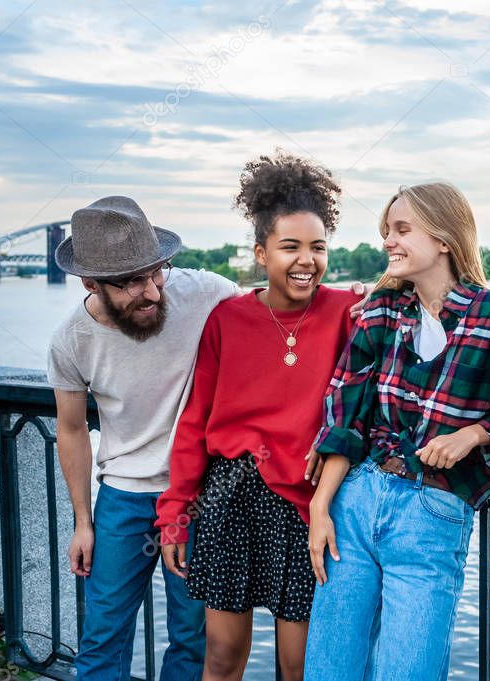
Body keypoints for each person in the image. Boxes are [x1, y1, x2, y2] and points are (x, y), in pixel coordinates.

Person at [303, 182, 490, 681]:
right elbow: (346, 414)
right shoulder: (382, 311)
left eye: (402, 229)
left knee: (407, 672)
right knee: (328, 671)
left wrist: (476, 434)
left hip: (433, 513)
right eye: (387, 231)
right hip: (355, 504)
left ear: (444, 239)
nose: (389, 241)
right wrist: (321, 506)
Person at [154, 152, 363, 681]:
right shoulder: (228, 319)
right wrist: (176, 511)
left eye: (318, 247)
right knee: (222, 657)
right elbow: (196, 422)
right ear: (261, 252)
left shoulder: (348, 312)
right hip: (230, 496)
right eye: (290, 246)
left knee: (300, 666)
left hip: (308, 502)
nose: (306, 260)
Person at [48, 195, 238, 680]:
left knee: (193, 640)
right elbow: (70, 431)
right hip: (122, 500)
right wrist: (82, 522)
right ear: (90, 282)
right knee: (102, 640)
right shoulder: (71, 340)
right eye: (133, 281)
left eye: (156, 272)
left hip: (198, 496)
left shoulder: (204, 291)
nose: (153, 291)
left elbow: (274, 310)